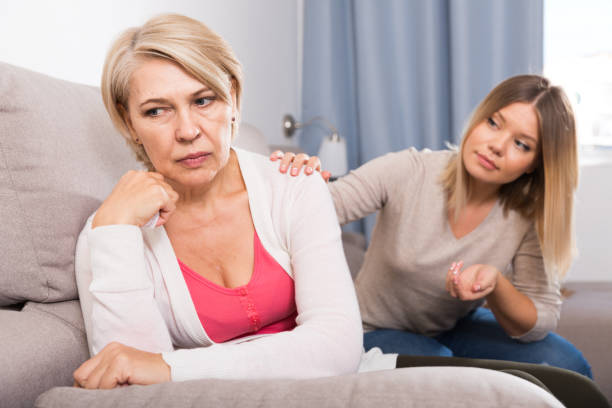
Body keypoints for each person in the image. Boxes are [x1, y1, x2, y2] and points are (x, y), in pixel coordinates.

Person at [72, 13, 365, 389]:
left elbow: (338, 348)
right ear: (130, 124)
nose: (188, 131)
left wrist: (174, 368)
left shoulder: (294, 185)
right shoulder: (110, 231)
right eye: (156, 111)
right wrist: (113, 232)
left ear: (233, 99)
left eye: (204, 100)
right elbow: (132, 383)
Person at [272, 75, 591, 376]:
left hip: (452, 327)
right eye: (493, 123)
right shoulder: (409, 171)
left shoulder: (526, 215)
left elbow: (540, 318)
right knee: (443, 371)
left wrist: (496, 285)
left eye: (521, 144)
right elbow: (318, 208)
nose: (497, 145)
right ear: (479, 118)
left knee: (567, 364)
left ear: (536, 164)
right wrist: (291, 181)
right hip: (370, 329)